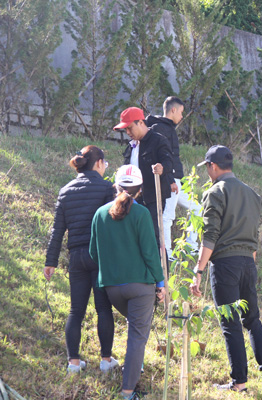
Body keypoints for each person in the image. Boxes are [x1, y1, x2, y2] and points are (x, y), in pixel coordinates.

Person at [190, 145, 262, 392]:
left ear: (212, 167)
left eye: (207, 167)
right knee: (252, 318)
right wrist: (251, 261)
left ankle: (239, 382)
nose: (207, 172)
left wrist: (199, 270)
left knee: (230, 322)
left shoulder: (215, 191)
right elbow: (254, 235)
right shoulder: (252, 194)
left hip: (225, 263)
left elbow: (210, 235)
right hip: (249, 262)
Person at [89, 165, 166, 400]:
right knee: (136, 336)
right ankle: (127, 392)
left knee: (135, 332)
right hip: (140, 286)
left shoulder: (100, 214)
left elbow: (94, 253)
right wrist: (160, 283)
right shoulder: (141, 214)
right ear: (140, 189)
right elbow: (151, 254)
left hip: (112, 287)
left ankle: (134, 369)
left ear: (115, 185)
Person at [43, 145, 118, 374]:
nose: (105, 168)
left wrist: (50, 261)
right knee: (103, 309)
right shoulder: (107, 189)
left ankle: (73, 363)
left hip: (76, 256)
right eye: (105, 163)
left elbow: (57, 230)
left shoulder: (65, 190)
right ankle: (106, 360)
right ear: (98, 163)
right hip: (100, 256)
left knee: (76, 311)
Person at [146, 97, 201, 260]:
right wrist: (169, 179)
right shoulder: (160, 128)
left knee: (197, 209)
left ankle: (191, 246)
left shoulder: (168, 128)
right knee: (167, 215)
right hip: (170, 180)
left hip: (177, 180)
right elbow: (162, 156)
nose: (182, 117)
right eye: (181, 112)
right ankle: (167, 253)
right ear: (173, 110)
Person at [115, 106, 174, 245]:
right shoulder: (131, 145)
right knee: (133, 236)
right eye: (126, 129)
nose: (128, 132)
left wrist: (162, 168)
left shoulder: (159, 140)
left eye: (130, 128)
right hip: (131, 198)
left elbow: (169, 163)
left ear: (141, 123)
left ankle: (159, 265)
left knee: (152, 236)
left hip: (153, 199)